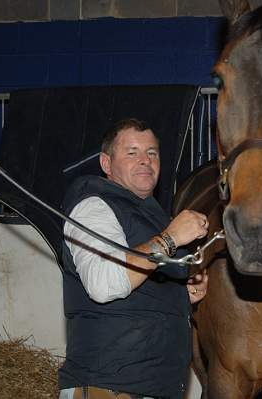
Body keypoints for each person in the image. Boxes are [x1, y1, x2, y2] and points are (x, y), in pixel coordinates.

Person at [58, 118, 209, 399]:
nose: (145, 160)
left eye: (152, 153)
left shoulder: (152, 217)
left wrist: (181, 295)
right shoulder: (93, 206)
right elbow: (104, 284)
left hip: (155, 388)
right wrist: (170, 239)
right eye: (132, 152)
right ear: (106, 163)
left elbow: (141, 284)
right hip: (110, 389)